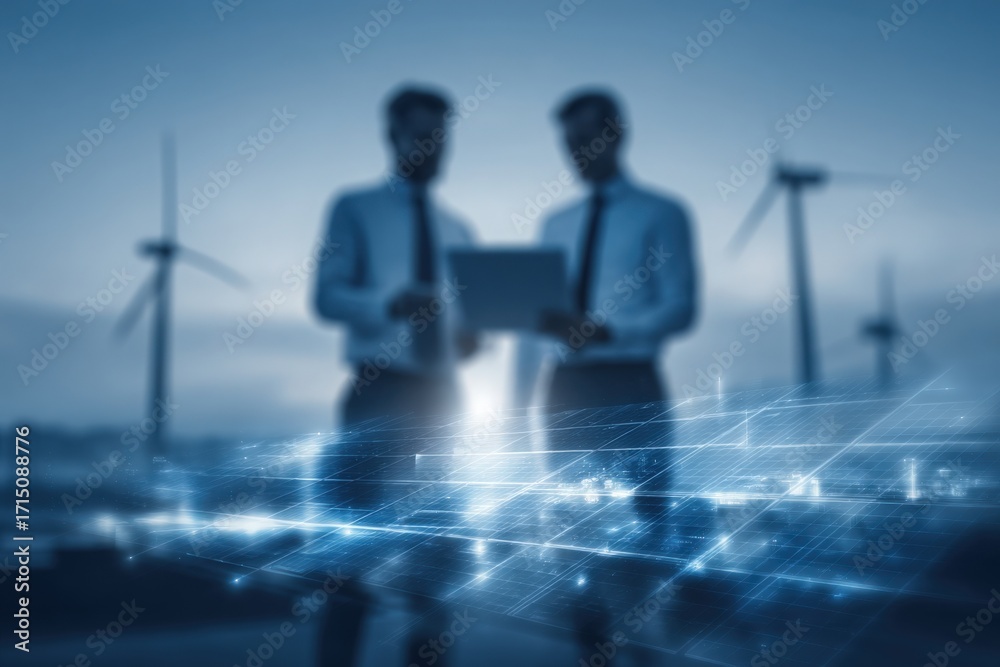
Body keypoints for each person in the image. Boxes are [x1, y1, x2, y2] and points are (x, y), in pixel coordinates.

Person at [512, 88, 698, 658]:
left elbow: (680, 306)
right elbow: (533, 322)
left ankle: (646, 652)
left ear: (616, 134)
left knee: (645, 528)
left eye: (586, 138)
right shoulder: (554, 223)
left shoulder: (662, 213)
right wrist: (516, 407)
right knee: (575, 536)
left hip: (630, 381)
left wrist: (607, 330)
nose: (576, 152)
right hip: (566, 389)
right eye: (568, 143)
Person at [313, 84, 477, 667]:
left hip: (444, 398)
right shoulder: (354, 208)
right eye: (422, 136)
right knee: (352, 548)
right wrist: (388, 302)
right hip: (378, 389)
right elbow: (327, 296)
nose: (434, 148)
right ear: (392, 136)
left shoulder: (460, 231)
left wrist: (470, 337)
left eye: (442, 138)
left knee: (438, 553)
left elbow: (465, 327)